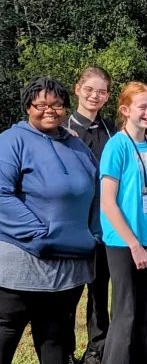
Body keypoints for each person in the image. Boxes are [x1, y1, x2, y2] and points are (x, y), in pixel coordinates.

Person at [0, 77, 101, 364]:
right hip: (19, 266)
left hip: (68, 267)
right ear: (27, 107)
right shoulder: (11, 141)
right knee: (5, 333)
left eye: (57, 104)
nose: (50, 110)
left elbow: (97, 192)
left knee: (55, 339)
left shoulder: (77, 146)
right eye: (41, 104)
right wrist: (39, 233)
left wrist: (92, 233)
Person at [99, 81, 147, 364]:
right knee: (126, 312)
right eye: (143, 107)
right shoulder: (116, 146)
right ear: (125, 109)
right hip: (123, 242)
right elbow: (108, 202)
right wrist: (133, 245)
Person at [66, 66, 116, 364]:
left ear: (108, 96)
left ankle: (97, 348)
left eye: (101, 91)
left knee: (99, 291)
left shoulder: (111, 129)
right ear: (77, 90)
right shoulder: (62, 129)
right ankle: (64, 349)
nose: (95, 96)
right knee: (69, 292)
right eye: (90, 90)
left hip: (104, 223)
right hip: (72, 224)